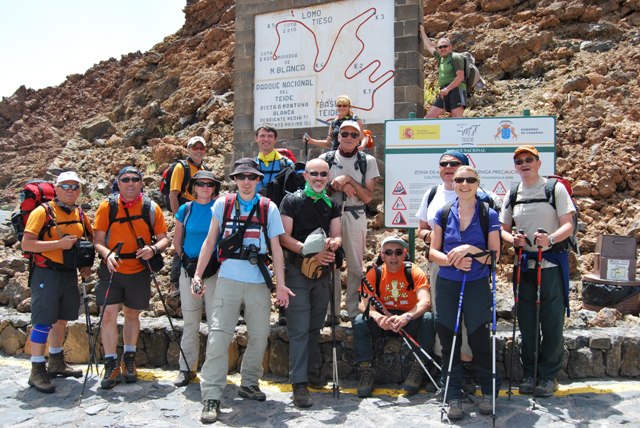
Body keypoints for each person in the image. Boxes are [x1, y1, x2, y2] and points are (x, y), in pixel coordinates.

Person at [194, 158, 294, 424]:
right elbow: (210, 241)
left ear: (258, 180)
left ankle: (249, 382)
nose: (247, 182)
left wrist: (281, 285)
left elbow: (276, 249)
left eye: (251, 177)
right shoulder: (222, 204)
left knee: (260, 336)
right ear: (235, 180)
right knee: (218, 336)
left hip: (258, 280)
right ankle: (212, 395)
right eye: (242, 177)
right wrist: (198, 274)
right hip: (228, 277)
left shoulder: (268, 207)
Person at [500, 145, 575, 398]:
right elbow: (503, 228)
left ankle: (548, 376)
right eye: (519, 160)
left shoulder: (555, 189)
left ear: (538, 162)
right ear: (515, 166)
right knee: (528, 321)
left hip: (550, 264)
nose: (524, 163)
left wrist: (550, 239)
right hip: (524, 265)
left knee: (552, 321)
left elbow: (568, 225)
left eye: (529, 159)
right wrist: (513, 240)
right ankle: (530, 373)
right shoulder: (514, 192)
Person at [429, 166, 501, 420]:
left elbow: (495, 256)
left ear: (477, 183)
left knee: (480, 339)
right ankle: (453, 396)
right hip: (448, 284)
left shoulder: (488, 214)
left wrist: (470, 248)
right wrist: (453, 261)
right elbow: (433, 252)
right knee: (450, 340)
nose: (464, 183)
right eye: (460, 179)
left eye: (470, 179)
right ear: (454, 183)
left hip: (476, 285)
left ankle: (489, 392)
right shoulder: (444, 213)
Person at [93, 166, 169, 390]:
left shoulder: (150, 207)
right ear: (118, 183)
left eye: (135, 179)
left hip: (138, 269)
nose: (131, 183)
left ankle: (129, 359)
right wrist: (107, 255)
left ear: (141, 183)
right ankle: (110, 363)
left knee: (132, 314)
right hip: (112, 269)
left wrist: (153, 249)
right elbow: (97, 240)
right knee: (108, 315)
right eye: (125, 179)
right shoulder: (107, 206)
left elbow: (164, 238)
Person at [279, 158, 342, 408]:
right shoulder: (291, 200)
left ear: (328, 177)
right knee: (298, 328)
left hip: (322, 272)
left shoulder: (332, 203)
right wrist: (308, 251)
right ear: (305, 175)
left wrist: (334, 245)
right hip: (297, 272)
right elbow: (284, 237)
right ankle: (299, 383)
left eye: (323, 174)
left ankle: (309, 371)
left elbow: (336, 234)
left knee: (315, 325)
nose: (318, 178)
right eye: (314, 173)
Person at [22, 171, 93, 393]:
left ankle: (56, 362)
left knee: (61, 320)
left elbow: (88, 240)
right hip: (46, 274)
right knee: (43, 321)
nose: (70, 190)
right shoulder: (42, 212)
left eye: (75, 187)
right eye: (66, 186)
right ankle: (36, 371)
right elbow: (27, 244)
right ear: (56, 188)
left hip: (68, 273)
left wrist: (86, 263)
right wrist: (58, 245)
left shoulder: (80, 213)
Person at [415, 150, 476, 394]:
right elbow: (421, 229)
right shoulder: (432, 194)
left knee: (469, 316)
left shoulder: (477, 195)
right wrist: (430, 235)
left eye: (454, 163)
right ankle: (446, 369)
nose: (449, 167)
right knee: (443, 316)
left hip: (471, 268)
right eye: (444, 164)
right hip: (439, 263)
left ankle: (467, 371)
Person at [354, 236, 436, 398]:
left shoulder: (413, 271)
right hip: (384, 319)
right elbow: (363, 304)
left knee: (428, 319)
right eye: (388, 252)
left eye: (398, 252)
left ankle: (419, 367)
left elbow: (425, 301)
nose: (393, 257)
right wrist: (377, 316)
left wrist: (406, 317)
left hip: (407, 318)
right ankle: (365, 369)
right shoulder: (375, 273)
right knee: (359, 322)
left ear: (405, 254)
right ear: (382, 255)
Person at [319, 120, 380, 322]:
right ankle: (332, 312)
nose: (349, 138)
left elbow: (368, 197)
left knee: (355, 264)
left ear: (360, 138)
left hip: (356, 215)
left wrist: (348, 180)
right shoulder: (324, 159)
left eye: (354, 135)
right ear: (338, 136)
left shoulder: (367, 161)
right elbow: (316, 192)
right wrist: (334, 186)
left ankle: (353, 310)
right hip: (329, 216)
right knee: (331, 264)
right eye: (344, 134)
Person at [171, 171, 222, 387]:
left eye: (209, 184)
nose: (205, 187)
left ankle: (212, 370)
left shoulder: (219, 209)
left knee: (215, 322)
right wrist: (187, 263)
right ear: (194, 186)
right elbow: (177, 240)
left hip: (214, 272)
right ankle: (186, 368)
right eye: (200, 183)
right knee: (190, 321)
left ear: (214, 188)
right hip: (189, 271)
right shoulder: (186, 209)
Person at [419, 24, 466, 118]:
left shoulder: (455, 57)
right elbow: (429, 46)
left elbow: (460, 77)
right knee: (430, 117)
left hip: (456, 90)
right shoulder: (440, 57)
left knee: (457, 120)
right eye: (440, 47)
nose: (442, 49)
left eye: (445, 46)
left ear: (450, 47)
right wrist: (422, 31)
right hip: (444, 91)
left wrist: (447, 89)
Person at [167, 136, 210, 213]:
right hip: (188, 212)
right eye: (195, 148)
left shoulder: (205, 169)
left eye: (201, 148)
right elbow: (173, 195)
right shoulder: (181, 167)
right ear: (188, 149)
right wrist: (179, 219)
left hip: (202, 210)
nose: (198, 151)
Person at [254, 124, 293, 195]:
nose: (266, 139)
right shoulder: (251, 165)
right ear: (256, 138)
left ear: (275, 139)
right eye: (262, 136)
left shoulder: (287, 164)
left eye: (270, 136)